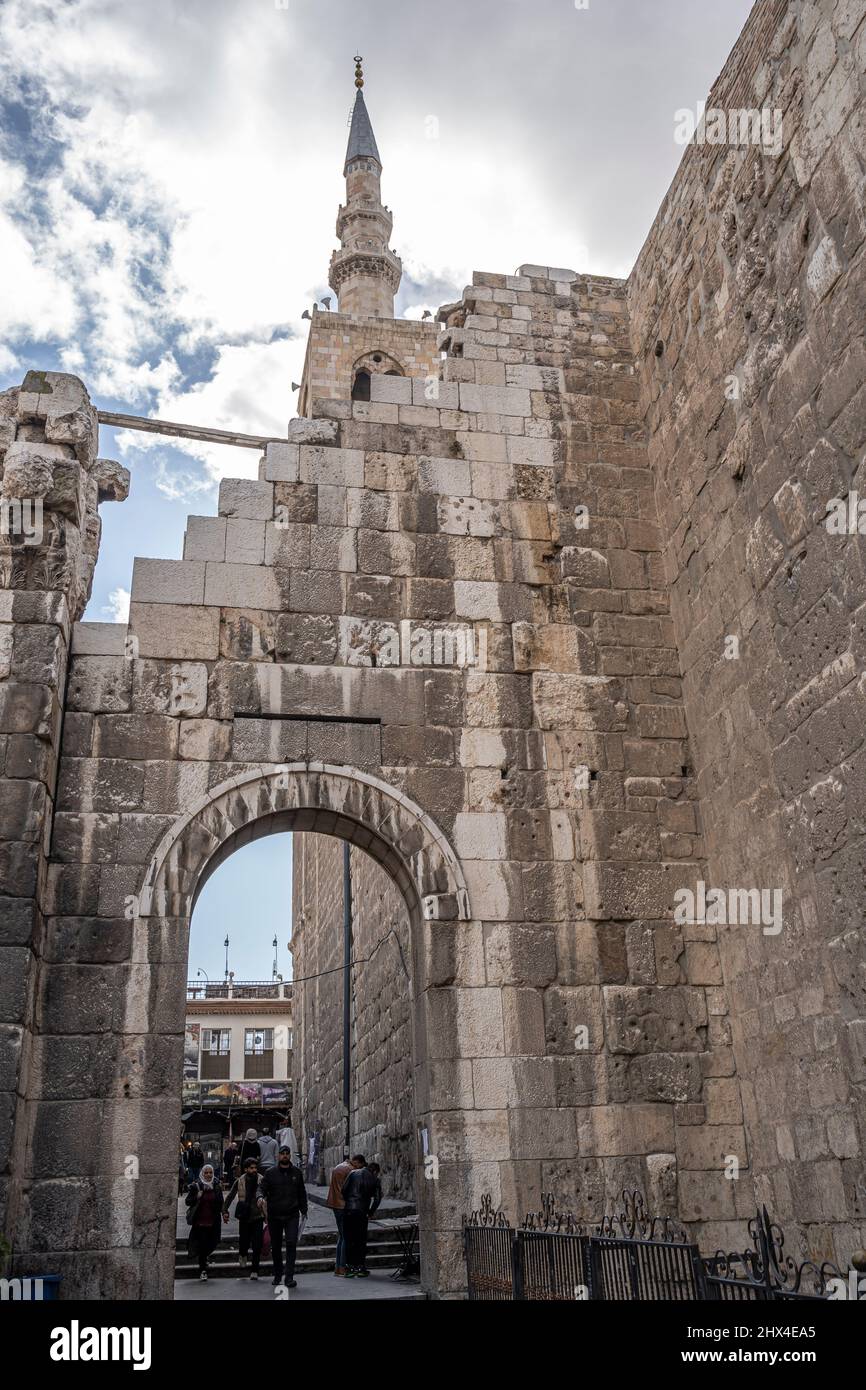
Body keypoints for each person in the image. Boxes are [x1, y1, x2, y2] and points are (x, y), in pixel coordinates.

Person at [259, 1145, 308, 1288]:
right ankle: (278, 1273)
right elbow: (262, 1188)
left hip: (292, 1214)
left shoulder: (297, 1173)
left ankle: (289, 1276)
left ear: (290, 1156)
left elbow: (302, 1192)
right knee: (276, 1245)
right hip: (275, 1215)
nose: (285, 1155)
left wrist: (303, 1210)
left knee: (291, 1243)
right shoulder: (270, 1173)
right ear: (278, 1156)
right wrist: (260, 1197)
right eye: (282, 1153)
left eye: (287, 1153)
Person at [185, 1164, 228, 1280]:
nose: (208, 1175)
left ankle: (204, 1259)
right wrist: (196, 1197)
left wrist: (224, 1213)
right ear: (202, 1174)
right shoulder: (196, 1186)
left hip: (213, 1220)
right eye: (206, 1173)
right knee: (203, 1244)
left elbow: (220, 1201)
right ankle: (203, 1269)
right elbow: (187, 1202)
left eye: (210, 1172)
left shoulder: (216, 1185)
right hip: (200, 1222)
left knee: (213, 1242)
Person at [225, 1157, 265, 1280]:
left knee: (257, 1244)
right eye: (251, 1168)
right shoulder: (240, 1181)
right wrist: (224, 1210)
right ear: (246, 1169)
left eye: (255, 1168)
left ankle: (255, 1270)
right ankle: (243, 1254)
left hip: (258, 1216)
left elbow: (269, 1194)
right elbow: (231, 1195)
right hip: (244, 1216)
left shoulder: (261, 1180)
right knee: (244, 1242)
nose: (254, 1170)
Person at [341, 1155, 380, 1279]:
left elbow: (343, 1190)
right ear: (375, 1171)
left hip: (348, 1210)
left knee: (349, 1239)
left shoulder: (353, 1173)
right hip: (362, 1211)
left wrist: (349, 1200)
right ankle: (360, 1267)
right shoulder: (374, 1179)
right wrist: (370, 1211)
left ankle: (349, 1268)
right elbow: (378, 1199)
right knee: (361, 1240)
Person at [326, 1154, 353, 1277]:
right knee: (345, 1237)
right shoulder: (350, 1170)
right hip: (343, 1205)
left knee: (341, 1237)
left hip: (335, 1204)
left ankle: (338, 1267)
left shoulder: (338, 1167)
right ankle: (342, 1266)